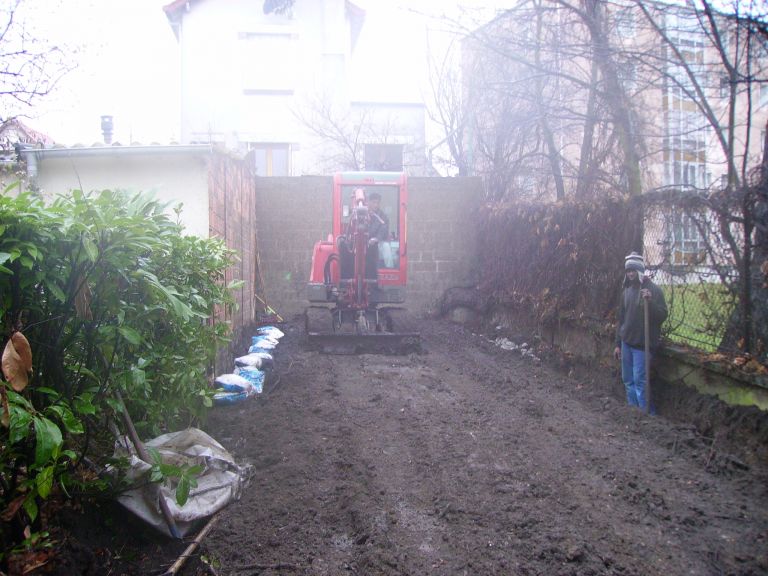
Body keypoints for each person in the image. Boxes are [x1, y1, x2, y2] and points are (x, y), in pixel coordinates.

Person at [613, 252, 668, 411]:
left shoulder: (653, 291)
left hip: (643, 345)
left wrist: (649, 303)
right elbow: (621, 320)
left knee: (640, 382)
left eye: (633, 270)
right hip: (626, 343)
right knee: (628, 380)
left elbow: (662, 316)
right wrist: (618, 344)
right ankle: (633, 412)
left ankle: (646, 415)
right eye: (628, 271)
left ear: (640, 270)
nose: (630, 274)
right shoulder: (626, 292)